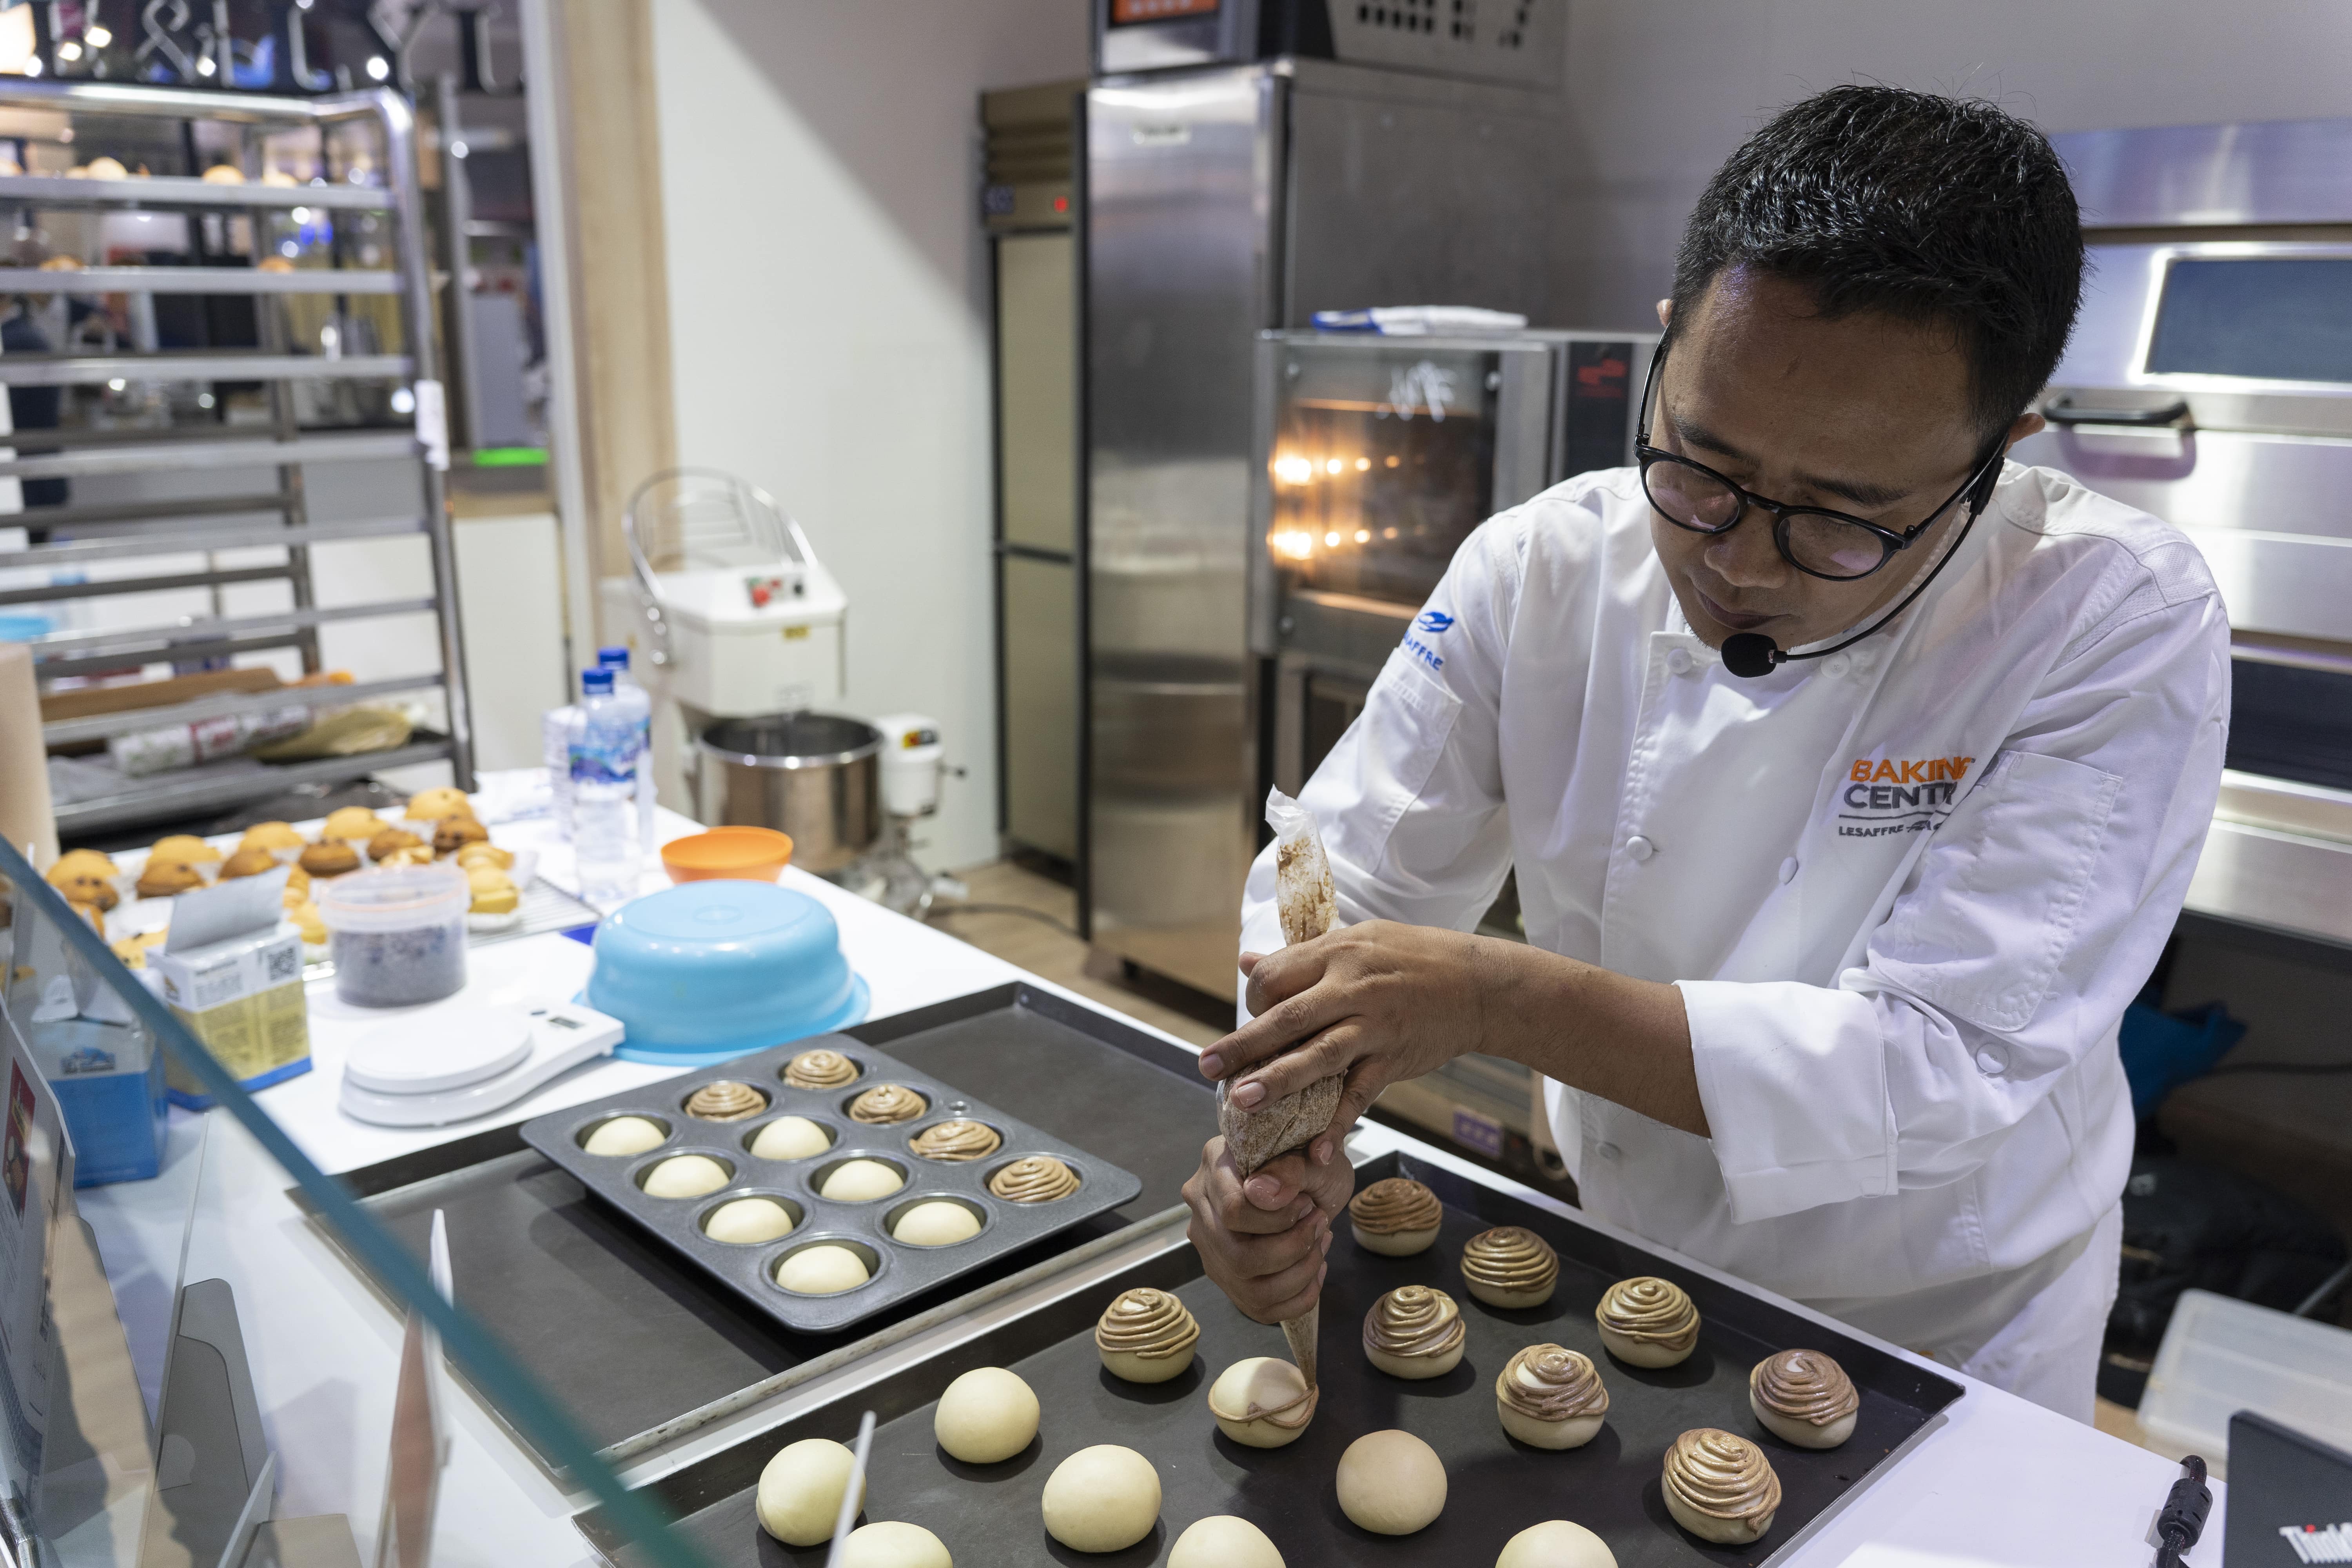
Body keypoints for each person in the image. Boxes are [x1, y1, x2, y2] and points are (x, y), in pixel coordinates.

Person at [1180, 84, 2230, 1420]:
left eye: (1847, 519)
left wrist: (1500, 1000)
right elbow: (1338, 880)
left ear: (1998, 452)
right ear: (1667, 347)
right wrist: (1282, 1136)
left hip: (1937, 1321)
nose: (1739, 564)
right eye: (1701, 469)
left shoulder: (2109, 617)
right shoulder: (1542, 568)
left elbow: (1940, 1066)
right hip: (1619, 1250)